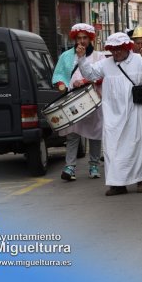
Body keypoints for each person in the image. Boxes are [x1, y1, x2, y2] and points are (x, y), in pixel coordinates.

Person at [76, 32, 142, 196]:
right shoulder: (106, 64)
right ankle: (118, 183)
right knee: (113, 147)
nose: (116, 53)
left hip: (136, 111)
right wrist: (81, 58)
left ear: (126, 47)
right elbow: (90, 74)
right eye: (113, 49)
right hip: (113, 113)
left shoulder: (138, 60)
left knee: (138, 144)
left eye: (119, 49)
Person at [52, 23, 104, 181]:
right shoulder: (66, 56)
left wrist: (84, 81)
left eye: (85, 38)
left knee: (95, 133)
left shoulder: (98, 56)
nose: (81, 41)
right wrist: (61, 84)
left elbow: (102, 75)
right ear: (75, 39)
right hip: (73, 100)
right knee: (72, 133)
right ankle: (70, 167)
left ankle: (94, 165)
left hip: (94, 100)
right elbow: (59, 74)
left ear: (90, 39)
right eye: (79, 38)